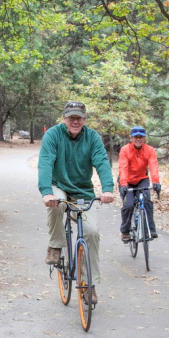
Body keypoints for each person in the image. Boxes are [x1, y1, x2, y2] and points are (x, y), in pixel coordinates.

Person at [38, 101, 115, 303]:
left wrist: (107, 189)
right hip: (58, 186)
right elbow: (45, 162)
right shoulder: (53, 135)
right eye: (71, 117)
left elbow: (102, 162)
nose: (75, 121)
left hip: (83, 191)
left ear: (84, 119)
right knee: (58, 202)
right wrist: (46, 192)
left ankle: (88, 283)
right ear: (64, 118)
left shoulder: (92, 138)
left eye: (78, 117)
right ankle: (56, 244)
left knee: (91, 232)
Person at [118, 126, 161, 242]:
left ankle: (150, 229)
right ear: (131, 138)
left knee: (147, 200)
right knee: (129, 205)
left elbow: (153, 166)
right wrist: (123, 184)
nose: (138, 139)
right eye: (135, 137)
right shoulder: (125, 150)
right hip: (127, 180)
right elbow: (123, 167)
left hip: (142, 179)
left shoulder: (150, 150)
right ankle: (125, 231)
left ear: (144, 138)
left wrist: (156, 182)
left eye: (140, 137)